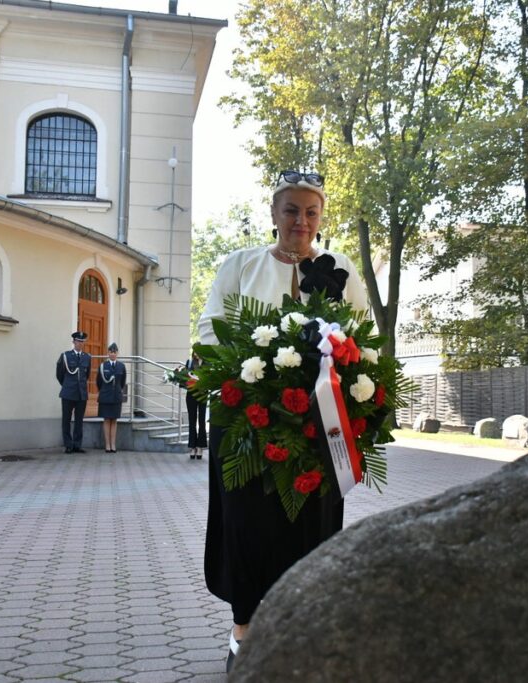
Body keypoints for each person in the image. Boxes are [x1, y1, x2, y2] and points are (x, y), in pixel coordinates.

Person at [197, 170, 369, 671]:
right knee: (248, 526)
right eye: (291, 210)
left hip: (317, 426)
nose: (301, 220)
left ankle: (304, 630)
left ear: (321, 219)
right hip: (247, 419)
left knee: (310, 529)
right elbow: (210, 328)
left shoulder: (341, 269)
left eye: (311, 212)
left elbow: (360, 335)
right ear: (273, 214)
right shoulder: (240, 265)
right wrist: (257, 363)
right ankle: (244, 635)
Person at [56, 331, 91, 453]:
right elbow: (59, 374)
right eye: (78, 341)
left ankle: (77, 444)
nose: (80, 344)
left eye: (82, 342)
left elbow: (86, 375)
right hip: (68, 393)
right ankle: (68, 445)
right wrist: (67, 385)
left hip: (81, 393)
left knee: (79, 420)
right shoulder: (65, 356)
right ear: (73, 342)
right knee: (66, 419)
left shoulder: (87, 357)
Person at [96, 342, 126, 453]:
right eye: (111, 352)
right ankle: (107, 445)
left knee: (114, 420)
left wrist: (117, 391)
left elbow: (122, 382)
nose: (113, 354)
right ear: (108, 353)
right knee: (106, 419)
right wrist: (105, 391)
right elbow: (99, 382)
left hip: (116, 397)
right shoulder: (103, 366)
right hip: (105, 396)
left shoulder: (121, 366)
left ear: (117, 353)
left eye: (115, 352)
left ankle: (113, 444)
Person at [185, 352, 207, 460]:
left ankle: (200, 447)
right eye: (195, 351)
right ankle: (192, 446)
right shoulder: (189, 363)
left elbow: (210, 378)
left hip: (203, 394)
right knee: (192, 420)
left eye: (199, 351)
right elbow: (184, 378)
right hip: (191, 394)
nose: (196, 353)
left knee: (202, 420)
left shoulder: (207, 363)